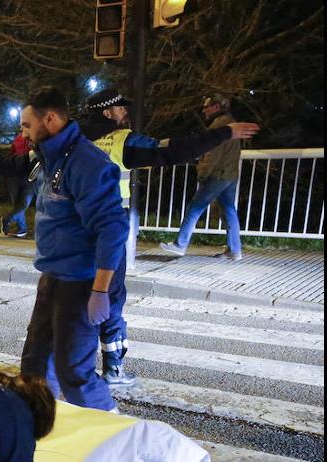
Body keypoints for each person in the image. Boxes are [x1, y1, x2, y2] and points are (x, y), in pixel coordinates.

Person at [79, 88, 260, 387]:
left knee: (76, 293)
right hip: (108, 227)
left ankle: (72, 365)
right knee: (110, 295)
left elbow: (31, 164)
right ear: (108, 113)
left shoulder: (73, 139)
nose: (126, 114)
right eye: (121, 109)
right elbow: (172, 149)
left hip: (74, 228)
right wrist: (222, 134)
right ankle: (113, 368)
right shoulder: (122, 140)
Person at [0, 87, 128, 412]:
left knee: (74, 372)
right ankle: (42, 427)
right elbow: (25, 171)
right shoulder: (51, 156)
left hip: (81, 284)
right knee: (35, 364)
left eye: (27, 125)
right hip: (53, 277)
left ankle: (111, 427)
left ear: (50, 119)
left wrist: (100, 290)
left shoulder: (86, 163)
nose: (23, 132)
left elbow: (112, 229)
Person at [161, 95, 248, 261]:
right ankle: (235, 250)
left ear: (217, 107)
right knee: (229, 210)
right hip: (230, 175)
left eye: (207, 106)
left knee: (194, 209)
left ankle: (180, 245)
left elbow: (211, 154)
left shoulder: (218, 127)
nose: (204, 109)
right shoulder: (232, 123)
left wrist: (203, 173)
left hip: (217, 175)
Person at [0, 132, 33, 238]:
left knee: (23, 204)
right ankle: (22, 228)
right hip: (14, 175)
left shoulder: (37, 138)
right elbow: (11, 155)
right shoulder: (18, 138)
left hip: (28, 176)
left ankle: (8, 219)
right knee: (18, 204)